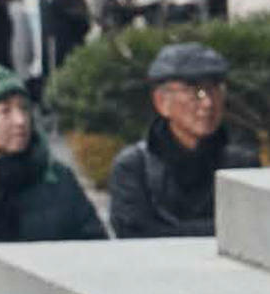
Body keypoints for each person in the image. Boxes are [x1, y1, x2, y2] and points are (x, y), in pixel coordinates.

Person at [103, 39, 245, 239]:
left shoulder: (241, 164)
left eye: (215, 89)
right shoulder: (134, 167)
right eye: (195, 91)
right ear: (162, 102)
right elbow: (135, 236)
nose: (208, 103)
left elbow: (252, 230)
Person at [0, 57, 92, 242]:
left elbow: (95, 243)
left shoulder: (57, 177)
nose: (20, 120)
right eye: (5, 111)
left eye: (24, 108)